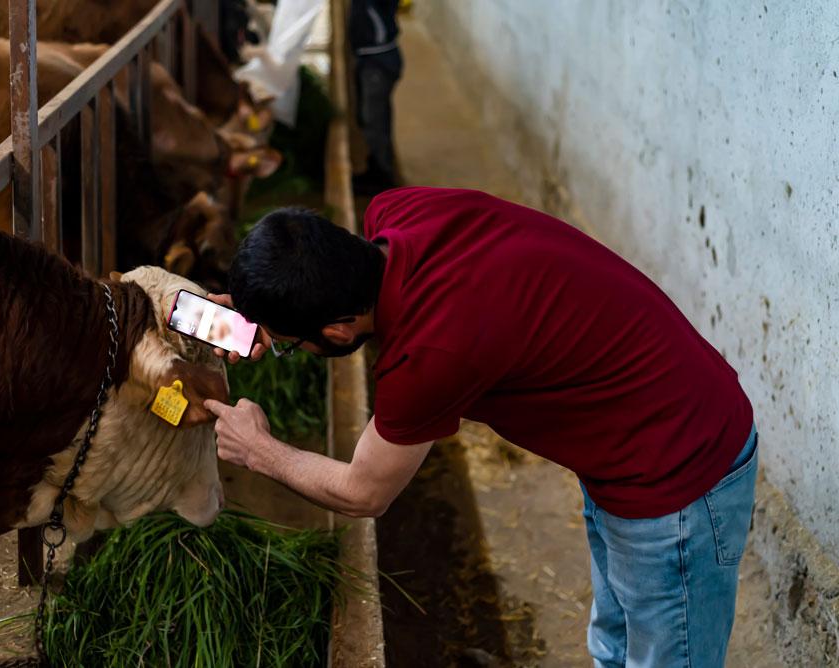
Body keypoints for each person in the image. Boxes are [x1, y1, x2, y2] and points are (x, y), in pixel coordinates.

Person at [204, 187, 757, 668]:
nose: (287, 352)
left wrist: (259, 451)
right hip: (627, 441)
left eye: (291, 347)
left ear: (340, 329)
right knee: (613, 645)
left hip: (678, 473)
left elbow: (363, 491)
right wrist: (261, 315)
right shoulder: (400, 212)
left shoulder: (430, 354)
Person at [349, 0, 402, 195]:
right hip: (373, 56)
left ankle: (382, 178)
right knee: (373, 118)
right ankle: (377, 166)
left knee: (374, 121)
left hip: (378, 59)